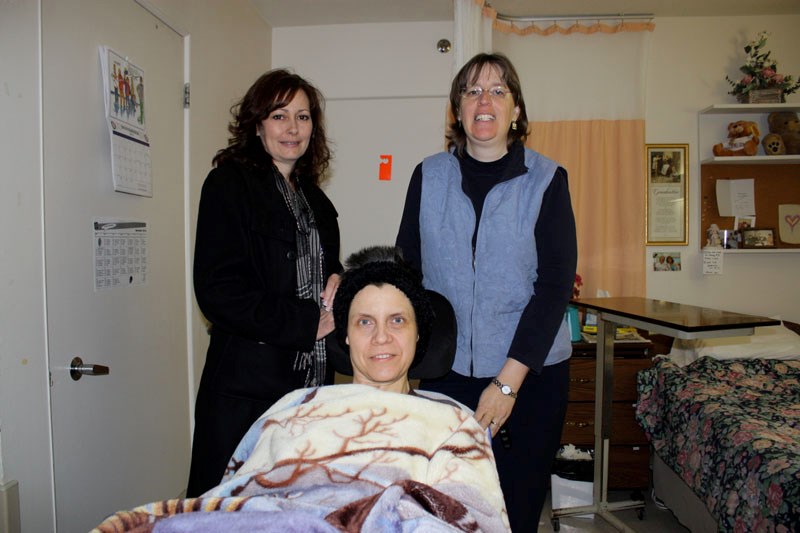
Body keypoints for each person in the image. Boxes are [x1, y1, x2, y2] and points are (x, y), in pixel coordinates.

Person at [95, 246, 509, 532]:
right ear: (345, 335)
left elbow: (471, 518)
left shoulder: (453, 424)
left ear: (420, 335)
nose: (381, 337)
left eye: (397, 321)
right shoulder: (294, 409)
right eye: (365, 322)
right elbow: (241, 496)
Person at [396, 52, 577, 530]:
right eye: (472, 90)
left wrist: (505, 384)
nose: (485, 100)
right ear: (457, 108)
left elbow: (555, 286)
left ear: (516, 110)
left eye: (499, 90)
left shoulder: (547, 180)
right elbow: (406, 274)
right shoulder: (428, 176)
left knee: (514, 511)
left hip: (530, 375)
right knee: (448, 510)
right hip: (446, 372)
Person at [187, 69, 342, 497]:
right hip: (247, 390)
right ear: (257, 124)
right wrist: (305, 322)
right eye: (279, 115)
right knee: (231, 512)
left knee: (296, 510)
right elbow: (218, 291)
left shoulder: (317, 201)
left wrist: (338, 284)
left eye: (303, 116)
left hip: (311, 388)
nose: (293, 128)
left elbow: (319, 273)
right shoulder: (228, 184)